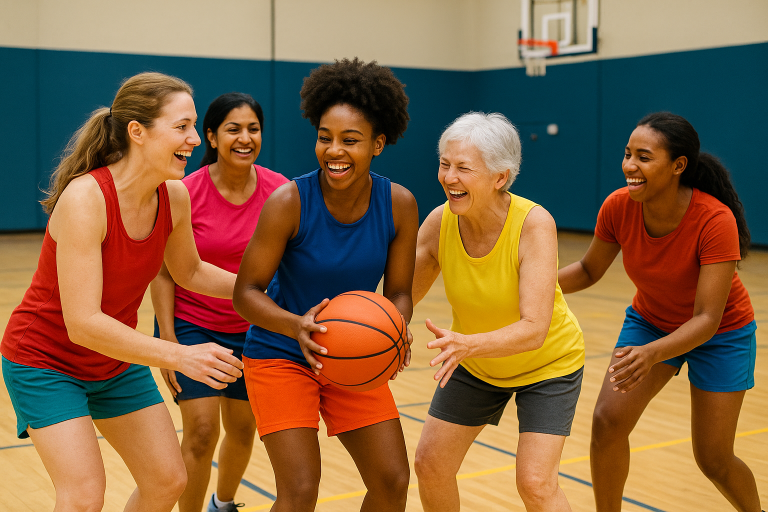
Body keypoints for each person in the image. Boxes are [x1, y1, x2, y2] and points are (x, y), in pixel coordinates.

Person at [1, 72, 245, 512]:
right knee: (82, 495)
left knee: (168, 481)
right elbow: (83, 323)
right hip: (46, 360)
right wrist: (178, 354)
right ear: (138, 132)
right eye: (182, 127)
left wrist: (268, 290)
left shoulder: (174, 195)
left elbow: (189, 271)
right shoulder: (86, 199)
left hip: (113, 361)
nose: (194, 138)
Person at [232, 58, 418, 512]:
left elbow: (398, 292)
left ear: (378, 143)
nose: (334, 150)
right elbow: (246, 292)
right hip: (281, 352)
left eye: (350, 141)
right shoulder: (288, 202)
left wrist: (396, 326)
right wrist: (295, 325)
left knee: (392, 481)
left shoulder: (398, 204)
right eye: (325, 137)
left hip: (353, 351)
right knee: (298, 493)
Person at [558, 112, 761, 512]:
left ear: (678, 166)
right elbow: (587, 270)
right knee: (607, 423)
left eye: (644, 157)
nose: (629, 166)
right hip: (650, 322)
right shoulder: (618, 206)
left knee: (714, 459)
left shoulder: (715, 220)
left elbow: (707, 318)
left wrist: (652, 353)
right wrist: (531, 286)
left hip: (720, 335)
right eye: (627, 154)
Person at [412, 112, 585, 512]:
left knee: (536, 483)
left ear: (500, 178)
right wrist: (379, 328)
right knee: (431, 465)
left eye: (463, 168)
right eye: (444, 164)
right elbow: (400, 296)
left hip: (547, 365)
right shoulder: (439, 223)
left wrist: (466, 345)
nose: (448, 177)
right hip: (476, 362)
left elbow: (534, 329)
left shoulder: (534, 224)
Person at [151, 92, 288, 512]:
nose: (245, 138)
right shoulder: (184, 192)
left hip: (253, 328)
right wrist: (169, 341)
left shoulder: (280, 192)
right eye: (233, 129)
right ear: (210, 135)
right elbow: (162, 272)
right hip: (192, 324)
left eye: (253, 129)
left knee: (243, 430)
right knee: (201, 431)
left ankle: (222, 504)